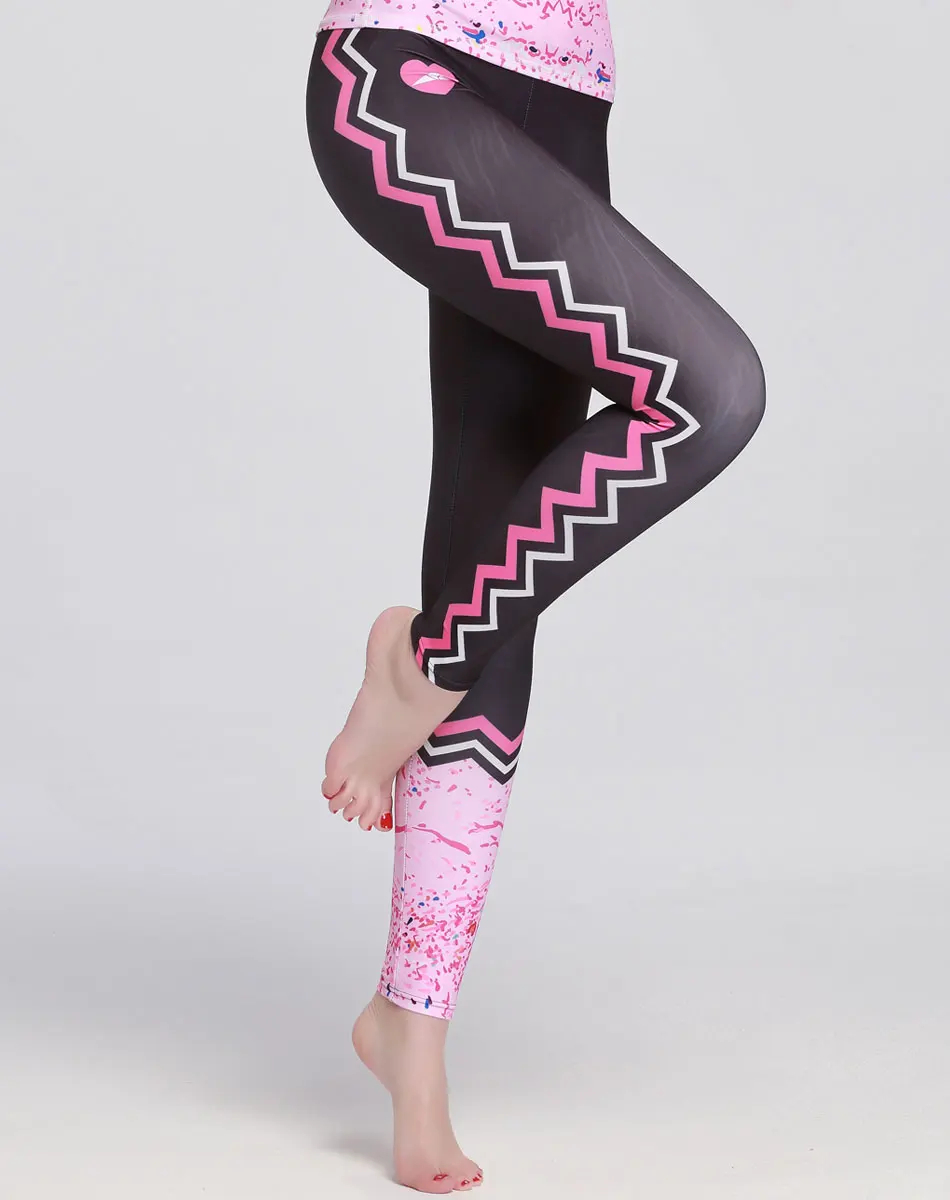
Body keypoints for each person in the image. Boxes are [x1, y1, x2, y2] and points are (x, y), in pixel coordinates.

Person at [305, 2, 766, 1192]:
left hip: (566, 101)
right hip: (407, 74)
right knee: (708, 393)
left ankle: (409, 1027)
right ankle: (420, 667)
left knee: (495, 536)